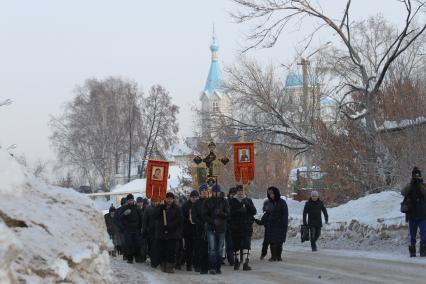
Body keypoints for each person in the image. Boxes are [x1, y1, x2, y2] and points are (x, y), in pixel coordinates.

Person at [202, 184, 230, 274]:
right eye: (215, 191)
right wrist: (212, 221)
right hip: (211, 228)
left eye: (218, 191)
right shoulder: (208, 201)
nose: (216, 193)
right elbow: (204, 215)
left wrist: (220, 213)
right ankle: (212, 267)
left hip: (221, 228)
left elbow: (228, 214)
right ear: (212, 192)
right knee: (212, 249)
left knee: (219, 249)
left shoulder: (224, 201)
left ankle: (218, 267)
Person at [229, 185, 257, 271]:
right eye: (239, 191)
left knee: (247, 245)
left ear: (244, 191)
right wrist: (238, 211)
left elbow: (254, 212)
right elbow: (229, 213)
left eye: (242, 190)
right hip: (236, 227)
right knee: (236, 246)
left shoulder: (248, 200)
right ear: (236, 192)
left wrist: (248, 205)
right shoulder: (232, 201)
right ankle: (237, 262)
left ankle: (245, 263)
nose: (240, 192)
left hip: (246, 227)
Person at [155, 192, 183, 273]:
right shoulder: (161, 207)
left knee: (171, 251)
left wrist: (170, 226)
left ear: (173, 199)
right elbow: (155, 216)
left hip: (173, 233)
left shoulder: (177, 208)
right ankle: (163, 265)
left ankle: (170, 266)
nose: (169, 200)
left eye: (171, 198)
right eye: (168, 198)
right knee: (163, 250)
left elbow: (180, 220)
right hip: (162, 233)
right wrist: (160, 208)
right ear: (165, 199)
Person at [401, 167, 426, 257]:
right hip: (412, 215)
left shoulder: (423, 185)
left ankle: (423, 250)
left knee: (424, 233)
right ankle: (412, 252)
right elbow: (402, 192)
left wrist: (420, 185)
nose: (416, 178)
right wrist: (411, 184)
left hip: (423, 215)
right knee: (412, 235)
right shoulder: (409, 186)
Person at [262, 186, 288, 261]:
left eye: (272, 193)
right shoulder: (268, 203)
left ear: (276, 193)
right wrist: (263, 221)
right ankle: (273, 256)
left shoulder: (282, 202)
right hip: (271, 225)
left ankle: (278, 256)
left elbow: (285, 214)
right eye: (269, 194)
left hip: (280, 225)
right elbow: (267, 213)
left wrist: (284, 224)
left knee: (279, 242)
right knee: (272, 242)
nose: (271, 195)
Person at [191, 184, 210, 274]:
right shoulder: (196, 204)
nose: (204, 191)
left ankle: (209, 266)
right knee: (200, 248)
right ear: (200, 192)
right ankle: (201, 266)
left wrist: (210, 223)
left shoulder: (211, 202)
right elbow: (194, 217)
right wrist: (202, 224)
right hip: (200, 229)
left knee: (210, 248)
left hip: (210, 228)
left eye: (206, 190)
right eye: (203, 190)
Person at [120, 194, 142, 263]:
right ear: (127, 201)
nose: (130, 201)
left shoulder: (137, 207)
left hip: (136, 229)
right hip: (128, 229)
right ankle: (130, 258)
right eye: (129, 200)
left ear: (133, 200)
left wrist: (140, 227)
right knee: (129, 244)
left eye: (131, 200)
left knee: (137, 244)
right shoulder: (124, 208)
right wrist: (124, 214)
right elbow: (120, 218)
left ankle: (137, 257)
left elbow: (141, 217)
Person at [181, 190, 199, 271]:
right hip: (188, 230)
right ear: (190, 197)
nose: (195, 199)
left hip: (197, 230)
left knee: (197, 248)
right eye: (193, 197)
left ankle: (196, 264)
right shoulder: (185, 205)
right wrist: (189, 220)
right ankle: (188, 264)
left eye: (196, 197)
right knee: (189, 248)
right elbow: (182, 217)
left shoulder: (199, 204)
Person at [142, 200, 160, 267]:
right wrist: (144, 231)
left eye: (156, 201)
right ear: (151, 201)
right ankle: (154, 262)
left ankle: (158, 261)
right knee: (152, 247)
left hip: (160, 231)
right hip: (151, 231)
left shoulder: (161, 208)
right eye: (154, 201)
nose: (155, 202)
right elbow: (144, 221)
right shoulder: (148, 209)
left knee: (159, 247)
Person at [225, 187, 238, 266]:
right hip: (229, 226)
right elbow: (227, 214)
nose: (233, 196)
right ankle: (231, 260)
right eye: (231, 194)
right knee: (229, 244)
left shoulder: (238, 202)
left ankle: (236, 259)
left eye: (234, 194)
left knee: (236, 244)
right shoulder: (226, 202)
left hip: (237, 226)